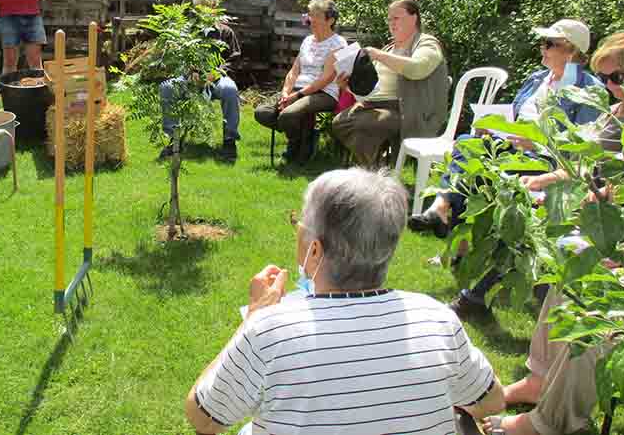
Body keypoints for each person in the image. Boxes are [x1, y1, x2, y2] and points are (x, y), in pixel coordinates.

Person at [184, 167, 505, 435]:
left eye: (302, 225)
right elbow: (492, 402)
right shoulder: (437, 319)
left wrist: (254, 317)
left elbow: (205, 417)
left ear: (315, 251)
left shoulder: (270, 330)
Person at [482, 34, 624, 435]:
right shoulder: (615, 114)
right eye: (603, 77)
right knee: (567, 281)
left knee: (596, 316)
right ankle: (541, 379)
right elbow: (581, 167)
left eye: (616, 76)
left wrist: (613, 210)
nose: (609, 85)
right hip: (612, 235)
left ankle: (550, 422)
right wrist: (539, 182)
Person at [410, 19, 601, 317]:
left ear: (571, 51)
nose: (543, 48)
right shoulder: (538, 79)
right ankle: (443, 208)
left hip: (546, 164)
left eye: (549, 43)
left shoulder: (587, 90)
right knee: (467, 143)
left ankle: (449, 225)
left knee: (480, 175)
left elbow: (583, 145)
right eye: (544, 42)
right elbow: (514, 112)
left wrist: (535, 144)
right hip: (511, 148)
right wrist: (496, 127)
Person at [332, 0, 449, 167]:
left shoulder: (427, 43)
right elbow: (372, 88)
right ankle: (376, 168)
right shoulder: (389, 48)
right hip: (373, 105)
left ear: (414, 18)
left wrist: (377, 55)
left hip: (407, 109)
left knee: (365, 124)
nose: (391, 23)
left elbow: (418, 69)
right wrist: (348, 87)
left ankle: (370, 172)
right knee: (340, 122)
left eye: (396, 18)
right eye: (389, 19)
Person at [254, 0, 347, 163]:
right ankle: (303, 138)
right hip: (297, 90)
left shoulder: (338, 43)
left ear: (330, 20)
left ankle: (298, 145)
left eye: (316, 16)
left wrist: (296, 97)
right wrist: (285, 93)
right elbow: (294, 70)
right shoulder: (307, 40)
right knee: (263, 113)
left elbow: (326, 78)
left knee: (288, 115)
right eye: (310, 15)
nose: (311, 20)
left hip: (324, 93)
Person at [159, 0, 242, 162]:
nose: (205, 10)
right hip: (190, 78)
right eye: (201, 6)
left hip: (216, 79)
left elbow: (234, 58)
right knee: (166, 88)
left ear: (215, 7)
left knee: (230, 90)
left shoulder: (226, 32)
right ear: (196, 8)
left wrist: (216, 72)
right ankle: (173, 139)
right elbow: (178, 55)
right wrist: (191, 71)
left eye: (209, 6)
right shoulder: (188, 31)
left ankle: (229, 140)